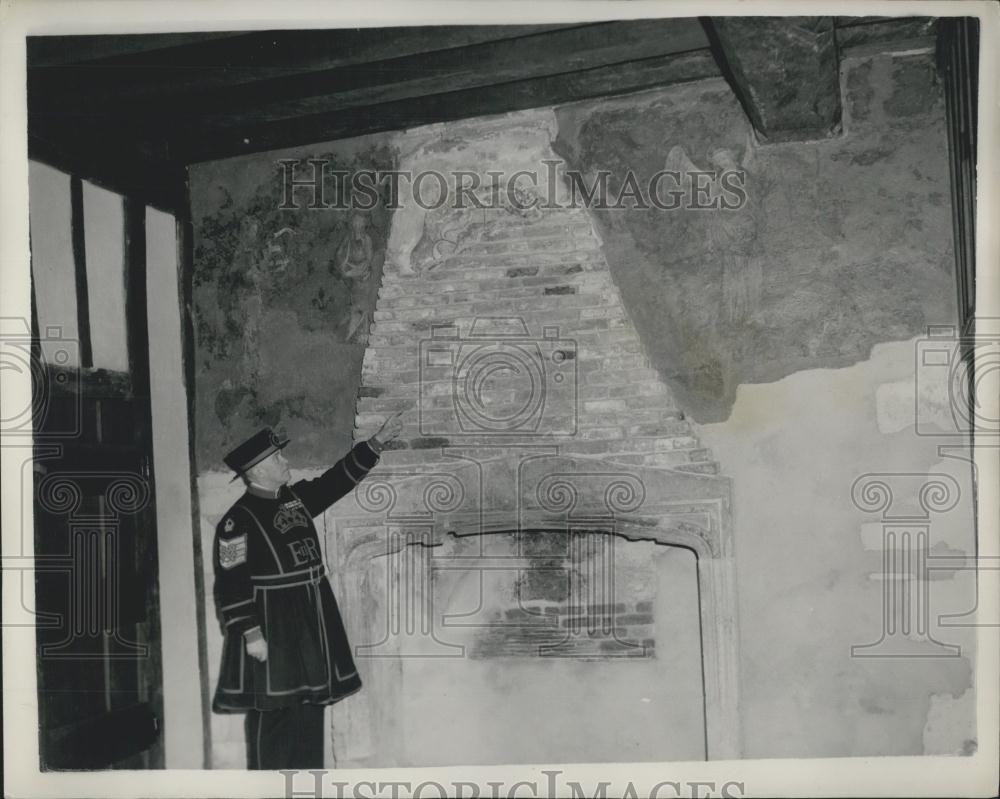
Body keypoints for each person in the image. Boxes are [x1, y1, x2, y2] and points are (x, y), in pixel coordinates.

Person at [211, 414, 402, 769]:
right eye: (277, 459)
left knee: (311, 704)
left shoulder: (293, 500)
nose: (286, 462)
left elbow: (333, 484)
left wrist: (375, 444)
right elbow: (230, 583)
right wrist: (252, 635)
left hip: (311, 615)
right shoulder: (237, 521)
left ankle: (309, 785)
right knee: (278, 711)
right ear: (258, 471)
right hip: (273, 624)